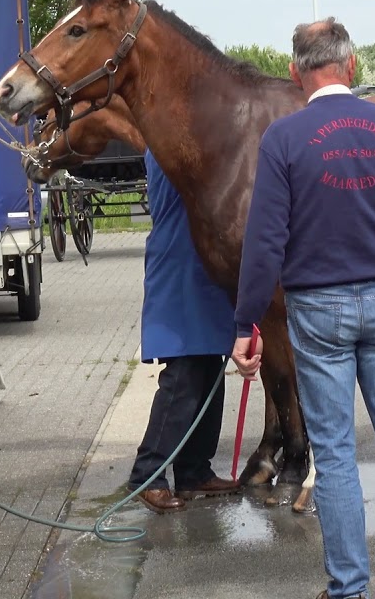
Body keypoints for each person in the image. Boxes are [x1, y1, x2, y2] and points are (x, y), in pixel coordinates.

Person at [231, 18, 375, 599]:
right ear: (351, 66)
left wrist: (246, 324)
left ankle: (349, 586)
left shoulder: (282, 140)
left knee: (333, 453)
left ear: (295, 72)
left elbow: (264, 244)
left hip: (319, 310)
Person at [126, 149, 241, 514]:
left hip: (203, 270)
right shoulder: (168, 148)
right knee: (183, 379)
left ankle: (193, 470)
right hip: (181, 264)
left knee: (209, 372)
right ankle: (148, 474)